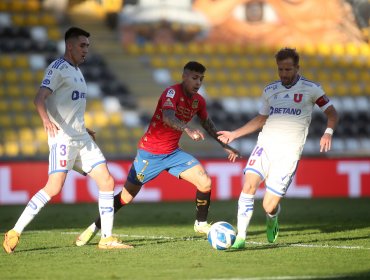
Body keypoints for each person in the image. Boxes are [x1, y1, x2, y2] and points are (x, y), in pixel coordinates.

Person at [75, 61, 241, 246]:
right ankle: (95, 227)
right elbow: (168, 117)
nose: (198, 83)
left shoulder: (198, 101)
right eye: (194, 78)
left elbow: (207, 123)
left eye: (201, 79)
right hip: (150, 154)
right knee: (125, 197)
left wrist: (224, 145)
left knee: (205, 181)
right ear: (184, 76)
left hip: (172, 153)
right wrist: (187, 129)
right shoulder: (171, 93)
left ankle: (200, 224)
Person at [2, 27, 131, 254]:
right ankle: (15, 231)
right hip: (63, 139)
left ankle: (107, 238)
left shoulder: (78, 72)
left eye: (88, 46)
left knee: (107, 182)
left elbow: (68, 107)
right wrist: (45, 121)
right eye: (82, 45)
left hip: (81, 136)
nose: (86, 50)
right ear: (69, 46)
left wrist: (83, 127)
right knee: (54, 188)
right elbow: (39, 98)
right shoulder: (57, 68)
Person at [217, 48, 339, 249]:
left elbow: (332, 113)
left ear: (297, 67)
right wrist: (234, 134)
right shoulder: (270, 90)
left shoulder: (312, 88)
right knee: (248, 186)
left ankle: (272, 217)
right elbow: (261, 119)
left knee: (268, 205)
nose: (284, 74)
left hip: (288, 153)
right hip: (265, 146)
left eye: (288, 69)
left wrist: (328, 132)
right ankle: (241, 238)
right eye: (280, 69)